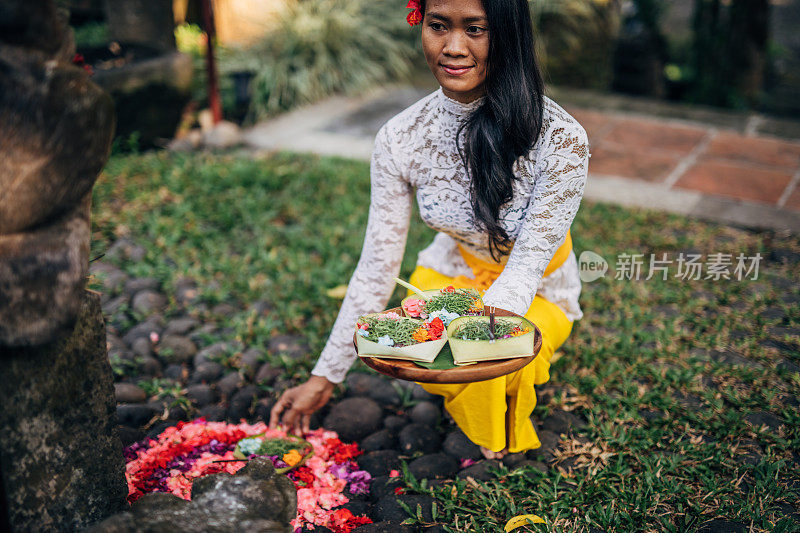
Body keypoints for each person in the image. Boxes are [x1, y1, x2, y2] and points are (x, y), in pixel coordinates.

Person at [270, 0, 589, 460]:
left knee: (493, 363)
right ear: (421, 24)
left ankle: (504, 402)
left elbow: (522, 272)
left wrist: (477, 337)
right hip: (453, 271)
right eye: (439, 26)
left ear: (507, 34)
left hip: (536, 288)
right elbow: (378, 267)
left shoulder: (562, 139)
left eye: (475, 29)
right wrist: (325, 376)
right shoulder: (400, 138)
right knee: (419, 322)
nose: (454, 47)